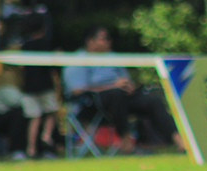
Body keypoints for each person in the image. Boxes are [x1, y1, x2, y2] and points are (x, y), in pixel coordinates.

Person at [62, 26, 185, 154]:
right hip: (91, 105)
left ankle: (179, 141)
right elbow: (77, 91)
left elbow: (125, 80)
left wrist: (129, 86)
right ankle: (127, 144)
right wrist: (112, 86)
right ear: (90, 41)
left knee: (152, 100)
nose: (109, 42)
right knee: (116, 94)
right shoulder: (77, 60)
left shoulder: (113, 57)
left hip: (121, 100)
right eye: (104, 39)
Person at [20, 13, 59, 159]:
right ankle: (46, 136)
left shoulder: (25, 46)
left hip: (29, 87)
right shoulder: (47, 44)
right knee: (51, 112)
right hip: (45, 85)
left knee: (34, 118)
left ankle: (31, 148)